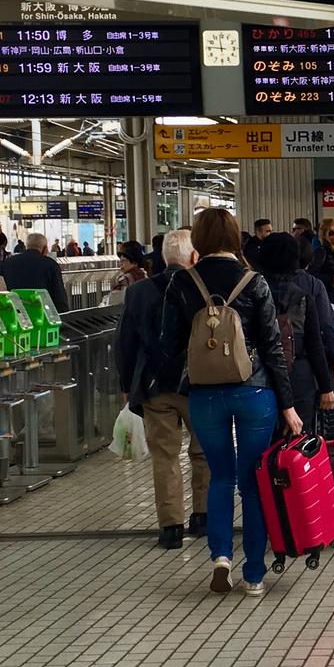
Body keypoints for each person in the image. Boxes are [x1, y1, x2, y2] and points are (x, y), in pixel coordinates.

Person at [157, 208, 304, 597]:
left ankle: (221, 555)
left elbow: (168, 346)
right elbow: (273, 347)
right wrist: (288, 405)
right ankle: (254, 573)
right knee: (253, 482)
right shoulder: (253, 282)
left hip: (205, 394)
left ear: (199, 240)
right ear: (235, 240)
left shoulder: (183, 283)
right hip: (255, 391)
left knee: (220, 477)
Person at [117, 228, 209, 550]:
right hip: (198, 384)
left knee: (165, 457)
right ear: (193, 257)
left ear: (164, 258)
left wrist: (127, 384)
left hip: (155, 387)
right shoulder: (204, 289)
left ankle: (170, 528)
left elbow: (125, 342)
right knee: (203, 452)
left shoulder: (139, 291)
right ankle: (203, 517)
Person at [255, 232, 334, 433]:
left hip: (258, 374)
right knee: (299, 439)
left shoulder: (252, 292)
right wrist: (327, 387)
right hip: (299, 373)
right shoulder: (303, 296)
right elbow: (315, 345)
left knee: (262, 440)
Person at [0, 231, 71, 312]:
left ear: (27, 246)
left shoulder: (8, 263)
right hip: (42, 314)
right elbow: (59, 294)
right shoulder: (50, 264)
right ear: (44, 249)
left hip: (15, 312)